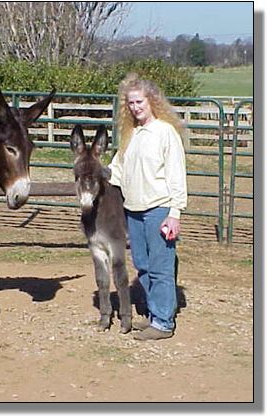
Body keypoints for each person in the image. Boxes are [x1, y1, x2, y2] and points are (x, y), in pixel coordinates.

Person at [108, 73, 188, 340]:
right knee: (142, 264)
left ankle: (164, 322)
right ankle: (155, 314)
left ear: (152, 100)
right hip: (134, 210)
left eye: (139, 101)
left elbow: (176, 175)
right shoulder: (131, 134)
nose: (135, 107)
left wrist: (174, 213)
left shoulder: (165, 133)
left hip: (159, 209)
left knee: (160, 266)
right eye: (130, 103)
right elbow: (117, 169)